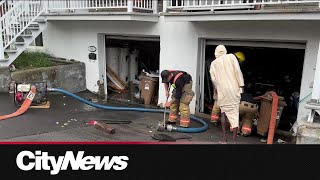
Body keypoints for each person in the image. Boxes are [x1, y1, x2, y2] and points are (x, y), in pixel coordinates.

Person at [209, 45, 245, 143]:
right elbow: (237, 71)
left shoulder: (213, 63)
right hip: (234, 89)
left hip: (222, 91)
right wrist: (241, 85)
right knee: (234, 115)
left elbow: (214, 79)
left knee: (223, 114)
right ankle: (234, 141)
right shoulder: (231, 57)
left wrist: (215, 89)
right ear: (225, 51)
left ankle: (224, 140)